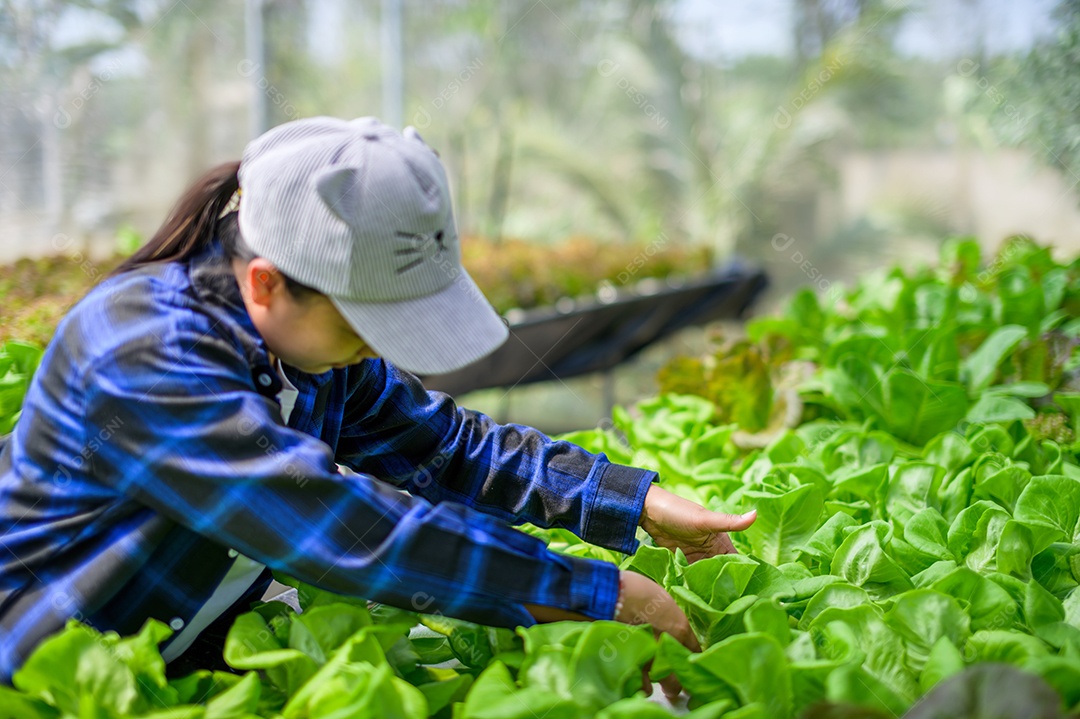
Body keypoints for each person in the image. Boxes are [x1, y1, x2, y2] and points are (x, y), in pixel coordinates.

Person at [0, 116, 755, 690]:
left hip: (187, 654)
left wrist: (637, 503)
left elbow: (446, 447)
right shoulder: (142, 352)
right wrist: (594, 592)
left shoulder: (304, 344)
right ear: (266, 282)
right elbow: (347, 529)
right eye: (367, 323)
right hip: (49, 678)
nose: (377, 347)